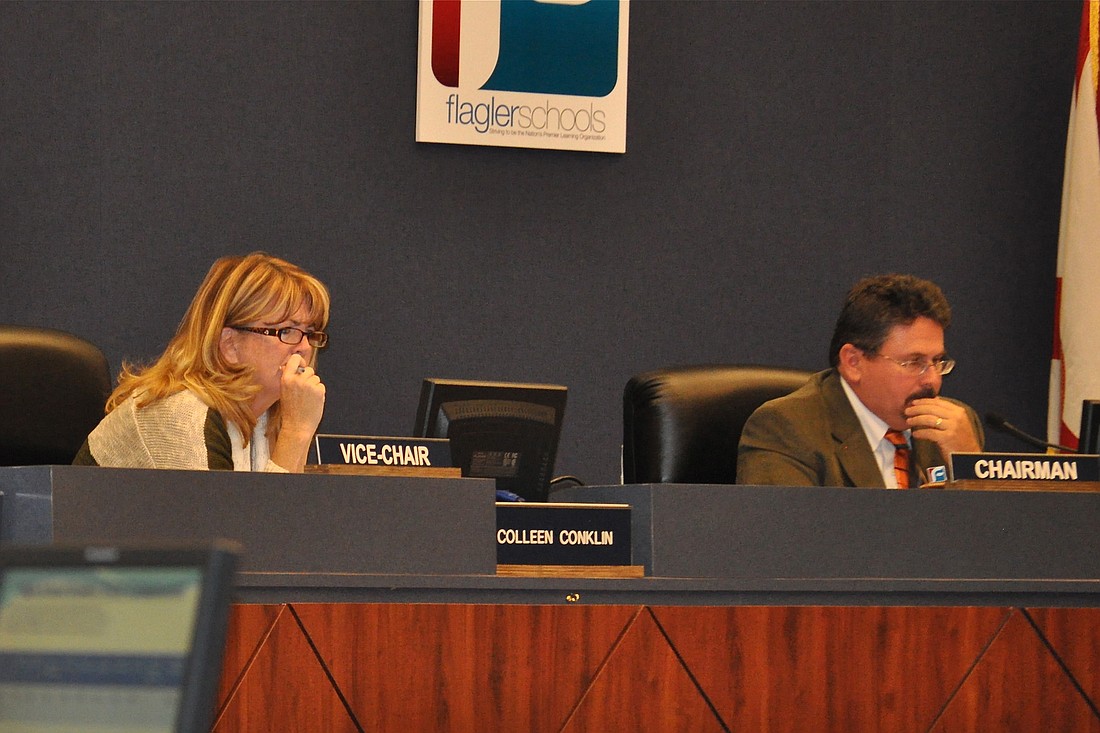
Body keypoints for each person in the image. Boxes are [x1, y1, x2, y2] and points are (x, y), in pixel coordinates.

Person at [74, 252, 329, 473]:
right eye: (286, 331)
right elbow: (239, 528)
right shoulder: (181, 415)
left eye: (310, 332)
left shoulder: (266, 419)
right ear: (230, 345)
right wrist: (296, 432)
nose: (304, 347)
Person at [736, 274, 983, 488]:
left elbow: (993, 537)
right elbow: (788, 536)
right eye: (913, 362)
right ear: (853, 362)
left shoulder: (954, 426)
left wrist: (970, 465)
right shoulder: (786, 429)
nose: (932, 379)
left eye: (938, 361)